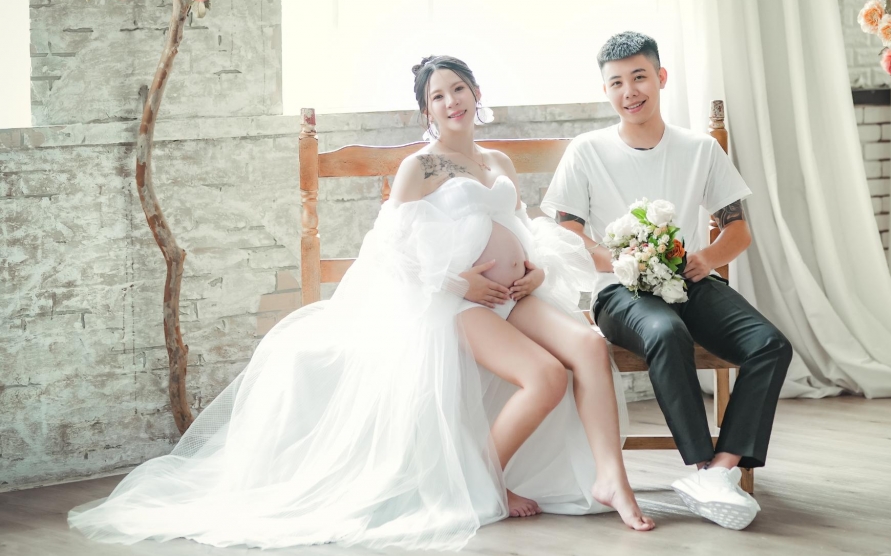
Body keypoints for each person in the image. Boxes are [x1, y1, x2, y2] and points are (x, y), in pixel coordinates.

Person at [68, 55, 652, 551]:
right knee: (545, 375)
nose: (451, 101)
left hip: (515, 294)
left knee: (588, 345)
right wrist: (460, 284)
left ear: (477, 94)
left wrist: (537, 268)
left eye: (458, 89)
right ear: (426, 112)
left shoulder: (496, 162)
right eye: (437, 96)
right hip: (460, 304)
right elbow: (390, 251)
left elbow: (519, 226)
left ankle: (612, 479)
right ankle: (485, 481)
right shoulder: (419, 168)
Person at [542, 32, 793, 531]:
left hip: (688, 280)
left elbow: (738, 230)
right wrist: (617, 261)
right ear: (606, 90)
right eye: (616, 82)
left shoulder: (700, 148)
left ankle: (720, 471)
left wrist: (707, 257)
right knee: (666, 331)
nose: (629, 91)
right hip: (619, 291)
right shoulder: (586, 150)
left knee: (770, 345)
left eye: (639, 77)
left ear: (660, 78)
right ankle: (700, 465)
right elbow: (565, 231)